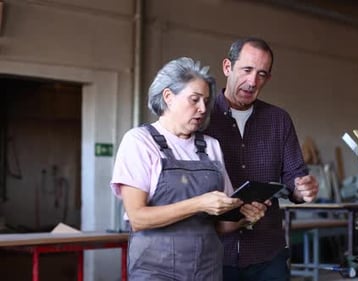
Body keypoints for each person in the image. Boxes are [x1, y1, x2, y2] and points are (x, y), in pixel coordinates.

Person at [110, 57, 266, 281]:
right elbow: (138, 218)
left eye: (206, 101)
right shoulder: (140, 142)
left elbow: (220, 225)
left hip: (207, 270)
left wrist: (246, 217)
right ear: (168, 97)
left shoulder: (211, 146)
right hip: (157, 272)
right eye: (194, 100)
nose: (202, 109)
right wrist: (199, 203)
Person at [203, 37, 319, 281]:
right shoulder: (203, 117)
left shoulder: (278, 120)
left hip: (268, 255)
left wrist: (302, 190)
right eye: (246, 70)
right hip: (214, 254)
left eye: (262, 74)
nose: (252, 81)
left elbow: (293, 180)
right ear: (227, 67)